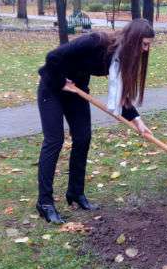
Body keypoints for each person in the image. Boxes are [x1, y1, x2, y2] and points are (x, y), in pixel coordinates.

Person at [36, 19, 155, 224]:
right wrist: (61, 82)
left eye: (148, 45)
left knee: (83, 138)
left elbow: (121, 94)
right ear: (133, 40)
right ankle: (45, 202)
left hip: (77, 91)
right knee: (54, 141)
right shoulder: (95, 41)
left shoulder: (120, 58)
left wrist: (137, 120)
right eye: (144, 44)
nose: (146, 50)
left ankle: (75, 193)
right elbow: (52, 57)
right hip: (52, 88)